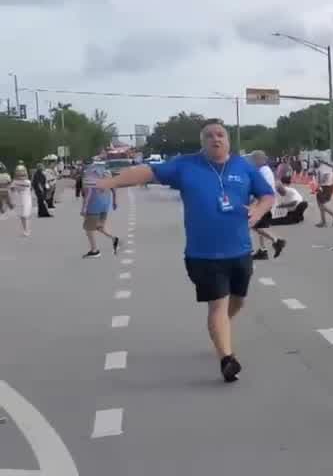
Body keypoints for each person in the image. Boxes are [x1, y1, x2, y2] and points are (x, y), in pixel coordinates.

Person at [96, 118, 276, 383]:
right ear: (202, 142)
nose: (216, 139)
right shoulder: (186, 165)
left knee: (237, 300)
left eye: (220, 134)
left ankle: (220, 330)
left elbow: (267, 195)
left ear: (228, 140)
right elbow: (146, 172)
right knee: (218, 305)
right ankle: (227, 359)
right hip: (203, 255)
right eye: (209, 136)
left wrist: (259, 210)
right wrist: (111, 183)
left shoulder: (243, 167)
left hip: (239, 251)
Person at [249, 151, 286, 260]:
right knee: (261, 225)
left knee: (254, 225)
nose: (252, 162)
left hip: (264, 201)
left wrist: (252, 200)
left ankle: (277, 240)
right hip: (267, 201)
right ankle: (262, 250)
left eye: (253, 160)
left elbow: (259, 187)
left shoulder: (262, 171)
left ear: (259, 159)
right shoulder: (266, 170)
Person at [80, 159, 120, 258]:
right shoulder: (107, 174)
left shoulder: (90, 175)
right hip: (105, 205)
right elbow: (114, 189)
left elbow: (88, 193)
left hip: (93, 206)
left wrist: (84, 208)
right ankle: (113, 238)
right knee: (99, 226)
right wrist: (114, 202)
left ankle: (94, 250)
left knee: (88, 228)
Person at [314, 157, 333, 228]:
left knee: (321, 205)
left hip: (326, 187)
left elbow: (326, 177)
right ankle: (323, 221)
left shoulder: (324, 168)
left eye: (316, 161)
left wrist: (319, 185)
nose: (314, 162)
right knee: (320, 205)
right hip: (325, 186)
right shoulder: (323, 167)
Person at [11, 164, 33, 236]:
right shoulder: (14, 182)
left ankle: (27, 230)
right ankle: (25, 229)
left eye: (22, 172)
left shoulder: (27, 182)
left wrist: (16, 187)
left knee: (25, 215)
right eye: (18, 172)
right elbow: (12, 190)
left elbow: (25, 188)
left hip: (26, 199)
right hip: (19, 200)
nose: (20, 174)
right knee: (22, 216)